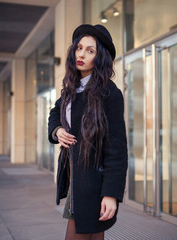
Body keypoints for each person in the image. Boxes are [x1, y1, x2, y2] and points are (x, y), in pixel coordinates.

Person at [48, 24, 128, 240]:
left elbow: (117, 149)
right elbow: (54, 112)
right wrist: (57, 131)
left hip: (94, 182)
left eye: (90, 51)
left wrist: (111, 194)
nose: (81, 54)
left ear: (99, 57)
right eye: (79, 48)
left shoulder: (109, 94)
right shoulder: (72, 89)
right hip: (77, 179)